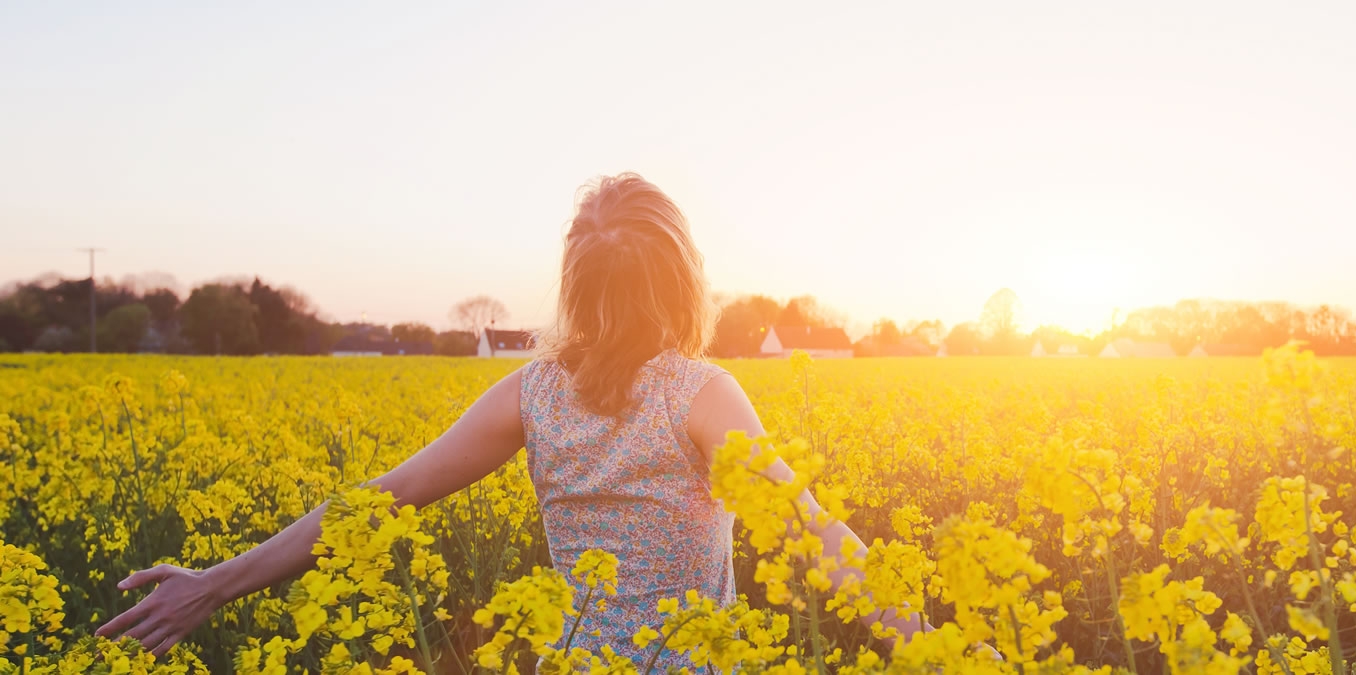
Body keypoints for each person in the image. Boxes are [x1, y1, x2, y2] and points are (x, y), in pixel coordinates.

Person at [97, 173, 928, 665]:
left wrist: (214, 581)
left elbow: (376, 500)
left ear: (575, 282)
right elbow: (814, 533)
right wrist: (934, 649)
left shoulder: (529, 395)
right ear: (683, 280)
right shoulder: (702, 393)